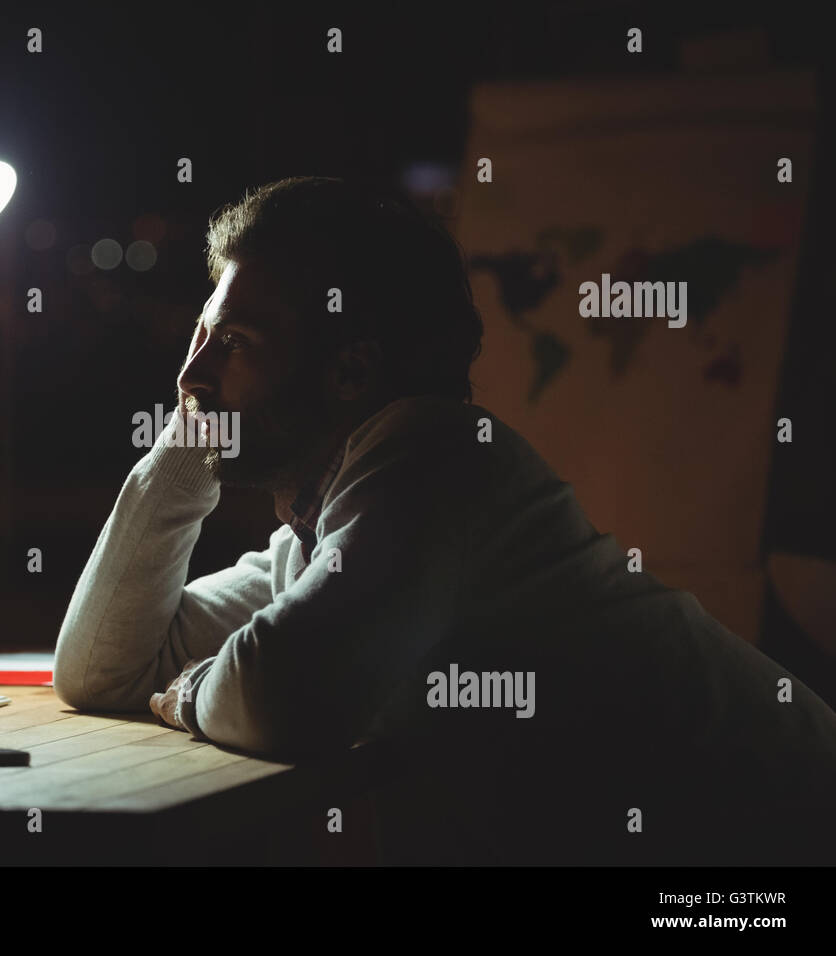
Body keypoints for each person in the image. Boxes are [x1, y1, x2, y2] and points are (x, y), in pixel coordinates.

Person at [53, 176, 836, 864]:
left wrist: (191, 693)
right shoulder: (326, 531)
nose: (189, 373)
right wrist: (194, 437)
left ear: (352, 368)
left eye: (232, 342)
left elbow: (282, 695)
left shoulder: (441, 463)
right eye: (200, 335)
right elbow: (101, 670)